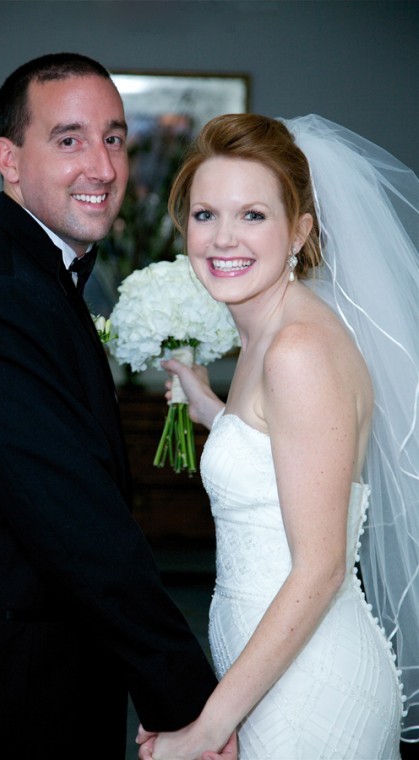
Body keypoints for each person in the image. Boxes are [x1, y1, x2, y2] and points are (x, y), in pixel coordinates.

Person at [0, 53, 237, 760]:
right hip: (10, 690)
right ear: (9, 159)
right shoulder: (1, 296)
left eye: (113, 138)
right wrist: (189, 705)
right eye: (69, 139)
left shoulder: (28, 273)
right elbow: (77, 524)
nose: (102, 166)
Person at [137, 113, 419, 759]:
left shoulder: (297, 350)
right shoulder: (270, 331)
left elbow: (320, 569)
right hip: (268, 675)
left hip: (309, 691)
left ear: (299, 231)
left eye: (253, 215)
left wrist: (207, 728)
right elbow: (281, 454)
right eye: (205, 214)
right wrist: (211, 410)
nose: (223, 237)